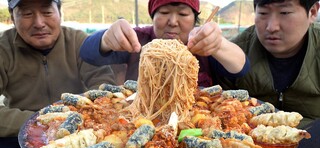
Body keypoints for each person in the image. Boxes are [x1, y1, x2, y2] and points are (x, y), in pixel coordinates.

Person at [0, 0, 116, 148]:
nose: (39, 23)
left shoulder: (80, 42)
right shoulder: (3, 49)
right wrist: (36, 125)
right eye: (27, 14)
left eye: (47, 12)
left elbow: (105, 87)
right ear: (12, 17)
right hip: (19, 140)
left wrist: (80, 119)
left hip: (82, 134)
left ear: (59, 12)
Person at [214, 0, 320, 148]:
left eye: (284, 13)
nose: (271, 26)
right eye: (263, 13)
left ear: (313, 12)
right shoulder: (234, 52)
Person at [80, 0, 250, 87]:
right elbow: (88, 53)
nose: (173, 22)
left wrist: (219, 45)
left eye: (183, 14)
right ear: (152, 16)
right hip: (142, 120)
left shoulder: (202, 42)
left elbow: (241, 68)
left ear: (194, 19)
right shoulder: (138, 39)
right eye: (164, 12)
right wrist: (106, 39)